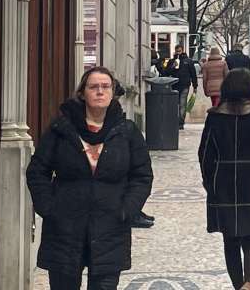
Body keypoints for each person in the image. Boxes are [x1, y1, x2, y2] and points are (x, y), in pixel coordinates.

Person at [26, 67, 154, 290]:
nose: (99, 91)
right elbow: (37, 171)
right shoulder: (61, 129)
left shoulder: (126, 132)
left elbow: (142, 175)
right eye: (93, 86)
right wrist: (48, 207)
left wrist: (127, 209)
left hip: (110, 227)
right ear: (82, 93)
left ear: (113, 92)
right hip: (65, 228)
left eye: (105, 87)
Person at [199, 69, 250, 290]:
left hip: (223, 183)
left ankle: (238, 286)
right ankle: (249, 283)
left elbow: (205, 153)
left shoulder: (215, 116)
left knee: (230, 240)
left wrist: (209, 181)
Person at [163, 44, 198, 128]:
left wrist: (195, 85)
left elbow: (193, 74)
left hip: (184, 85)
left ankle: (181, 122)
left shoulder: (188, 61)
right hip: (174, 85)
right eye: (177, 51)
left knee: (182, 104)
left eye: (179, 51)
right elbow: (166, 73)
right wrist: (172, 66)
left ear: (183, 50)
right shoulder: (172, 61)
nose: (178, 53)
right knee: (175, 104)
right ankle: (175, 121)